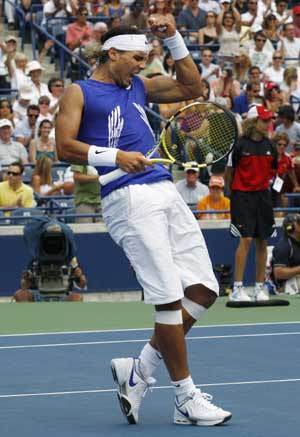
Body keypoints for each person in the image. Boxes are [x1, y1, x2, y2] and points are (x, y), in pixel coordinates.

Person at [56, 21, 232, 426]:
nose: (142, 65)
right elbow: (64, 146)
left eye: (146, 58)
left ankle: (139, 369)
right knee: (169, 299)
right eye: (137, 58)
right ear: (112, 53)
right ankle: (185, 398)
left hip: (163, 190)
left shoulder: (138, 85)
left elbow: (193, 89)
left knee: (204, 289)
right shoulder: (79, 91)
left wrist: (173, 37)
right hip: (126, 197)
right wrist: (114, 157)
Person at [225, 105, 278, 302]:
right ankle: (237, 289)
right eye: (264, 120)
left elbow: (273, 173)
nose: (268, 123)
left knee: (263, 241)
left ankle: (259, 288)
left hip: (263, 198)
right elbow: (229, 172)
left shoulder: (271, 147)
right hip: (242, 197)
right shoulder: (239, 145)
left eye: (269, 120)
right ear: (254, 123)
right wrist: (233, 194)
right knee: (245, 240)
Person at [271, 213, 300, 295]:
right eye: (299, 223)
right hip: (286, 284)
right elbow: (279, 273)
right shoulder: (284, 246)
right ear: (291, 228)